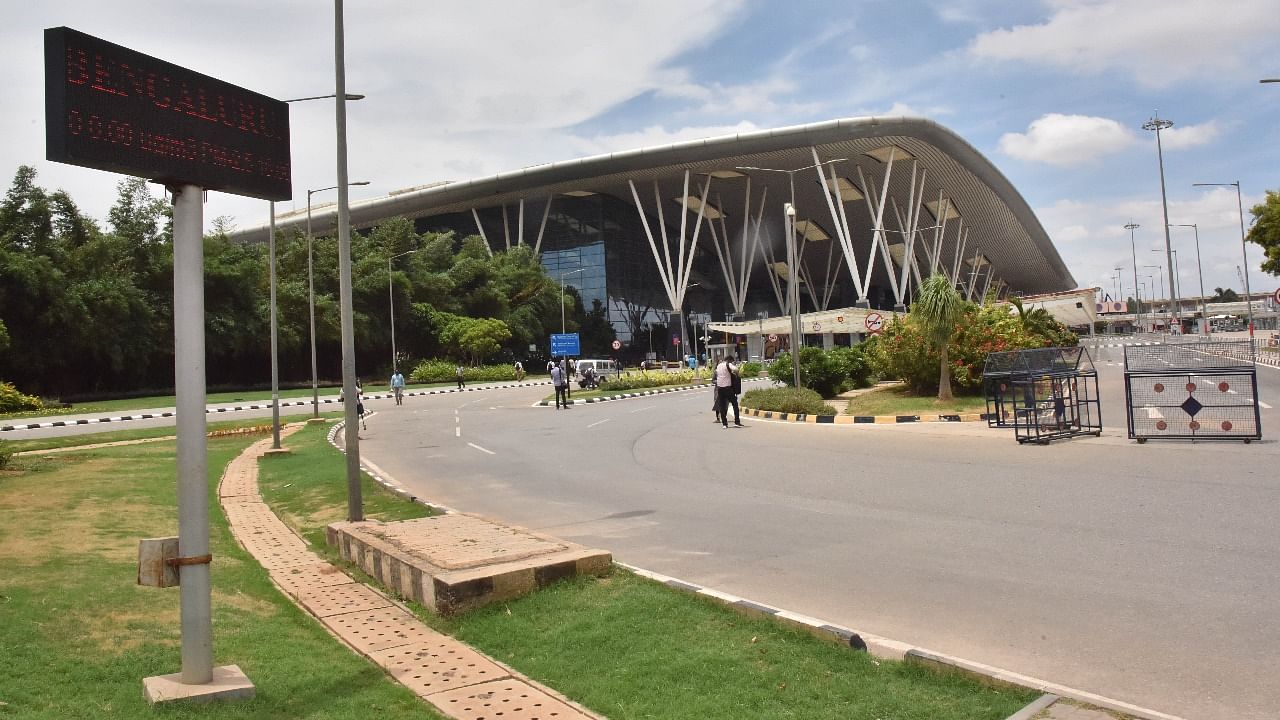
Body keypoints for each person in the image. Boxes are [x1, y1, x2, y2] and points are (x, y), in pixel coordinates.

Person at [715, 354, 742, 428]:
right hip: (728, 388)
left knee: (722, 406)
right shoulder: (728, 364)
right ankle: (737, 421)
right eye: (732, 361)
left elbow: (717, 374)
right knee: (735, 404)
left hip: (720, 388)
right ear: (729, 360)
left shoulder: (719, 365)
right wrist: (736, 374)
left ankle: (724, 424)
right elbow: (736, 369)